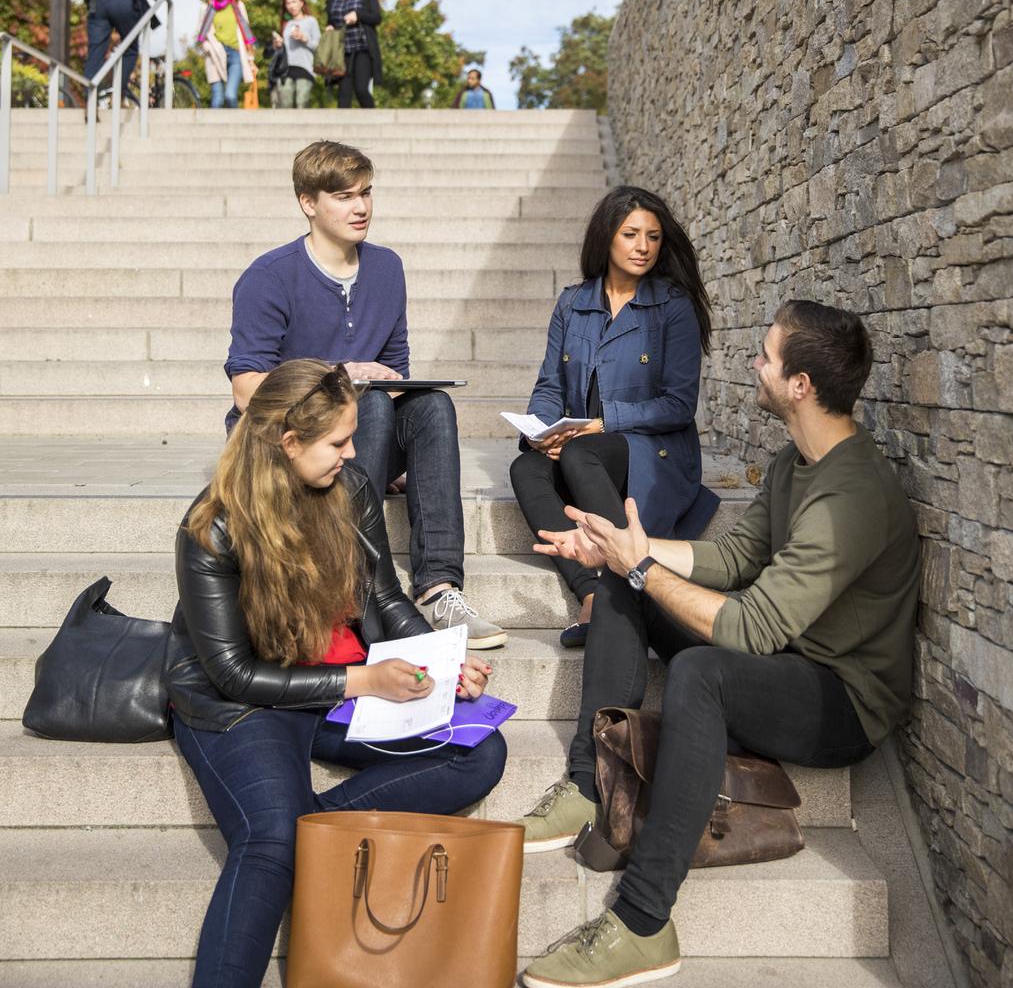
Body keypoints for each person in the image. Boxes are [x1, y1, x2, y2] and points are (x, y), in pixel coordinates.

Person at [518, 300, 921, 988]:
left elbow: (752, 627)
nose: (754, 366)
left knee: (702, 671)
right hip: (789, 656)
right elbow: (733, 559)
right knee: (626, 583)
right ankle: (587, 784)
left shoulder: (852, 494)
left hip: (843, 699)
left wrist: (640, 565)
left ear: (801, 385)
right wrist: (628, 551)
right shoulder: (795, 461)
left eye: (766, 356)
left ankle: (643, 922)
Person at [167, 358, 506, 988]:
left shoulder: (348, 488)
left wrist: (442, 660)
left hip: (343, 686)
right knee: (270, 842)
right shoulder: (212, 528)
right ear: (288, 443)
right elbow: (236, 674)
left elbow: (384, 598)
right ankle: (289, 827)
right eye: (339, 442)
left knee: (479, 749)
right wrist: (362, 683)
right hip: (249, 704)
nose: (354, 455)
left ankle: (306, 820)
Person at [225, 138, 507, 649]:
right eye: (344, 196)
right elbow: (247, 392)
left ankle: (439, 587)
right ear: (308, 202)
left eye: (366, 193)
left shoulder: (387, 268)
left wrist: (393, 433)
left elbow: (395, 369)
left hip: (360, 435)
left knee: (430, 405)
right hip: (285, 440)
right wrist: (338, 378)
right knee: (367, 400)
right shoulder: (269, 276)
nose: (361, 207)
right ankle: (364, 587)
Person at [510, 186, 717, 648]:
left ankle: (621, 582)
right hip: (587, 447)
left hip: (655, 451)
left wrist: (600, 424)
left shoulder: (673, 306)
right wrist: (542, 432)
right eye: (630, 234)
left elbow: (679, 405)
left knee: (582, 451)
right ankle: (592, 590)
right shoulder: (572, 302)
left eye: (653, 236)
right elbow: (549, 385)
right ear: (606, 238)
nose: (643, 246)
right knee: (526, 467)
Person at [325, 0, 382, 108]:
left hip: (362, 49)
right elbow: (330, 20)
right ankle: (340, 130)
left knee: (361, 89)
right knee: (343, 93)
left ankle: (375, 123)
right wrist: (330, 27)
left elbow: (377, 17)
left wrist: (358, 16)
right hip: (342, 52)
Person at [196, 0, 258, 109]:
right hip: (215, 54)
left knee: (230, 95)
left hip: (235, 54)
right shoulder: (206, 8)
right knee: (217, 97)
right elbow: (200, 34)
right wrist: (206, 46)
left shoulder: (237, 5)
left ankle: (234, 128)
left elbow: (246, 31)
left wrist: (250, 58)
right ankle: (213, 129)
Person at [267, 0, 320, 108]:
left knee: (302, 102)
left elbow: (318, 47)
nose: (291, 6)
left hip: (305, 68)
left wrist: (304, 38)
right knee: (285, 104)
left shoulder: (311, 21)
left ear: (301, 2)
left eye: (294, 2)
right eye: (288, 3)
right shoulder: (287, 24)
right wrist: (279, 45)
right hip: (285, 69)